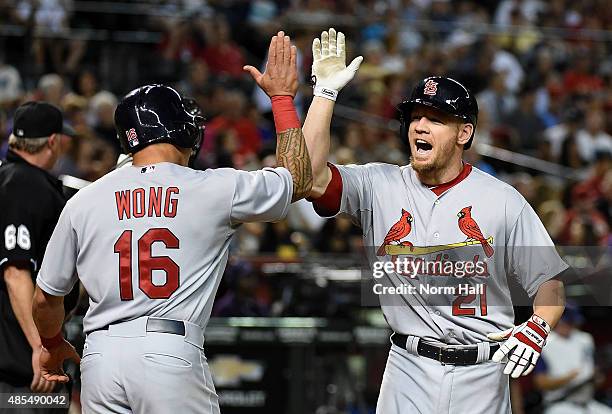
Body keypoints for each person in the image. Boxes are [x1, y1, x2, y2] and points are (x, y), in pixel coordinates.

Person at [31, 31, 312, 414]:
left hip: (99, 358)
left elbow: (46, 298)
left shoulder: (84, 200)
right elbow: (299, 178)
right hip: (168, 350)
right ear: (178, 128)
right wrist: (281, 99)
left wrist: (49, 345)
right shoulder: (213, 188)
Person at [302, 28, 567, 413]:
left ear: (465, 133)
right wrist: (324, 94)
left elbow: (550, 284)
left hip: (484, 375)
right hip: (407, 369)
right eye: (415, 117)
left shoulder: (502, 200)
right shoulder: (378, 184)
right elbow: (309, 178)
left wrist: (538, 327)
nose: (420, 126)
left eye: (436, 118)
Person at [0, 101, 78, 410]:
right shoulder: (24, 184)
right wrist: (41, 346)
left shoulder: (11, 178)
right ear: (52, 141)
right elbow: (15, 272)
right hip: (22, 365)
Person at [533, 303, 612, 414]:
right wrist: (570, 378)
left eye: (571, 322)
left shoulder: (585, 339)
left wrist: (596, 378)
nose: (569, 326)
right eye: (566, 322)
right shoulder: (544, 343)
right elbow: (540, 383)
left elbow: (597, 379)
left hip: (587, 402)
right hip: (559, 403)